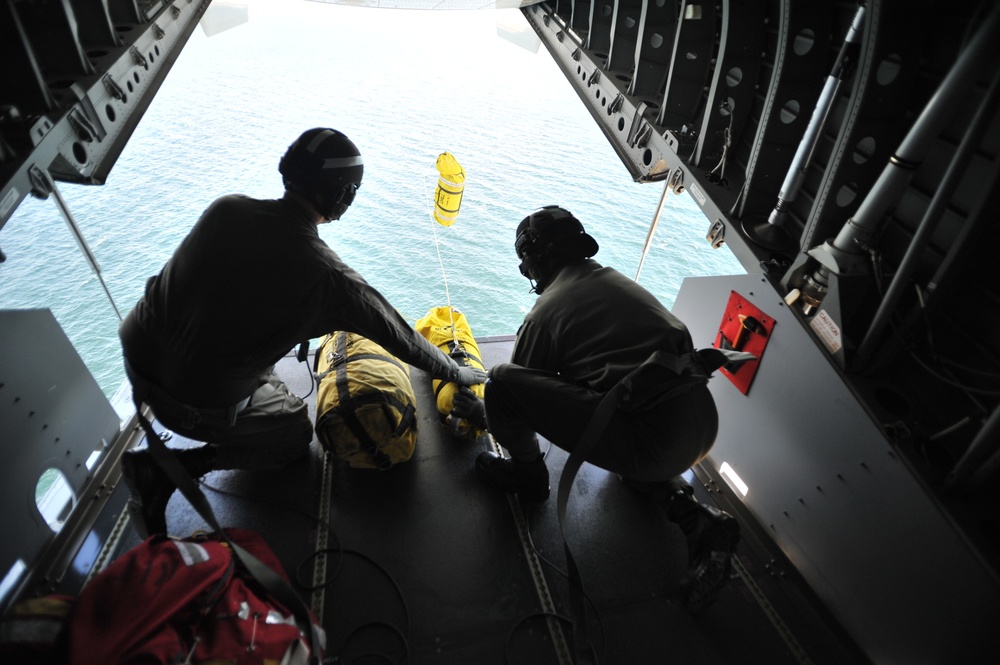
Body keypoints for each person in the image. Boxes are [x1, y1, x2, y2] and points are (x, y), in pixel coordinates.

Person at [119, 127, 486, 536]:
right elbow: (403, 339)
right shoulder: (327, 276)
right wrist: (462, 374)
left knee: (259, 369)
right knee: (294, 432)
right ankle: (179, 467)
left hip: (137, 361)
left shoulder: (227, 208)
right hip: (190, 402)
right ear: (341, 195)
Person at [450, 205, 742, 610]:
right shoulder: (611, 279)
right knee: (633, 444)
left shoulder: (547, 310)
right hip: (699, 422)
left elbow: (518, 394)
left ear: (534, 259)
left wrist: (482, 414)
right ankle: (696, 519)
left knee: (499, 377)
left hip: (652, 437)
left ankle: (527, 476)